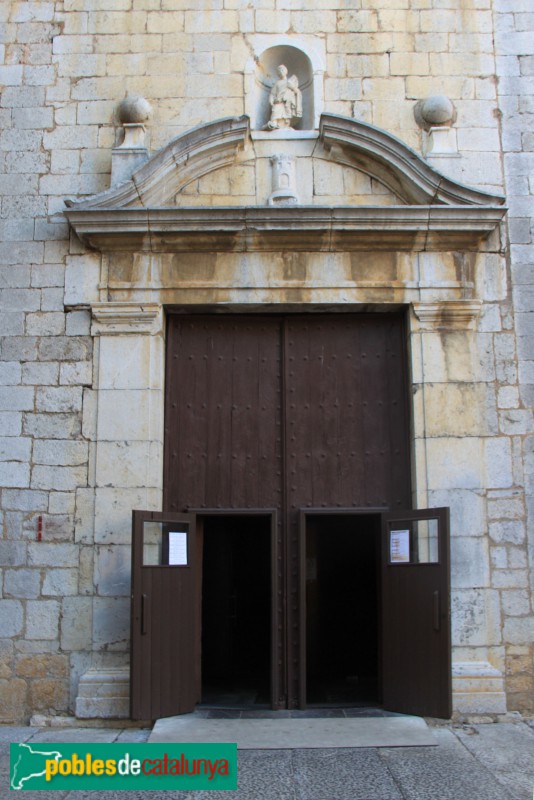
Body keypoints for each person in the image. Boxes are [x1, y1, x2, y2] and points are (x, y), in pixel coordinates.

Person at [266, 65, 302, 130]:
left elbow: (297, 92)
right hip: (278, 102)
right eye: (279, 71)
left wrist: (292, 87)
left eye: (282, 70)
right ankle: (274, 123)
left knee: (287, 116)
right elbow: (272, 93)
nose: (281, 72)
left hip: (287, 103)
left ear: (286, 71)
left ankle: (286, 125)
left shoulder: (290, 82)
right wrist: (271, 99)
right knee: (275, 112)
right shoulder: (277, 83)